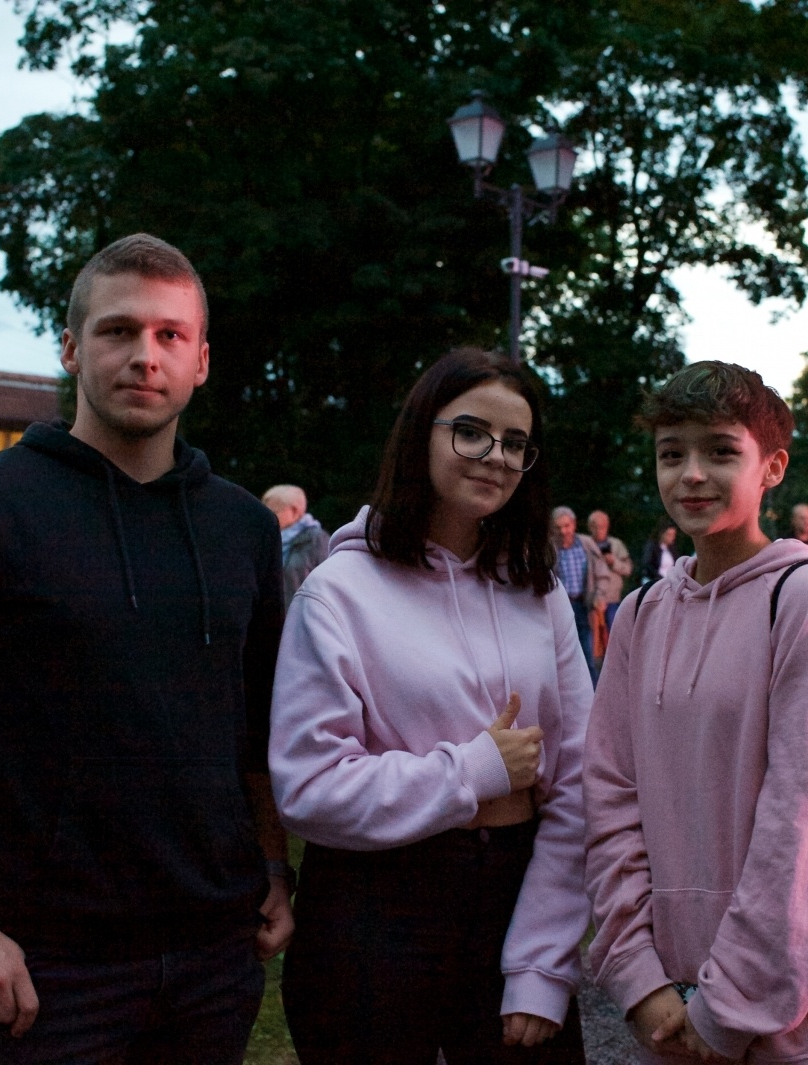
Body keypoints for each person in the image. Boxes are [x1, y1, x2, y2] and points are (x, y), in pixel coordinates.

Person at [0, 233, 292, 1064]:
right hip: (42, 970)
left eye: (170, 335)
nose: (144, 356)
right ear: (73, 348)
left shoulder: (244, 529)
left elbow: (256, 720)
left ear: (202, 361)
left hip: (212, 959)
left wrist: (271, 861)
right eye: (118, 331)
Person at [270, 347, 592, 1064]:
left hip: (514, 891)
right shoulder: (340, 591)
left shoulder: (538, 593)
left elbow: (580, 784)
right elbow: (309, 785)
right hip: (373, 907)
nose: (496, 456)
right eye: (472, 431)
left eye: (516, 443)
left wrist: (541, 964)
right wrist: (470, 770)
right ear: (423, 433)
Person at [586, 360, 808, 1063]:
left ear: (773, 466)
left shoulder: (807, 597)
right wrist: (638, 976)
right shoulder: (637, 615)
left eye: (720, 450)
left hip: (799, 1019)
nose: (691, 473)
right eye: (672, 454)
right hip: (671, 1006)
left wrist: (730, 1006)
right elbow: (609, 801)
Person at [261, 483, 330, 606]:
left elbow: (327, 584)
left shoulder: (316, 540)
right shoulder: (268, 539)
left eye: (273, 512)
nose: (266, 517)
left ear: (294, 511)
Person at [551, 506, 602, 670]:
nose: (563, 531)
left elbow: (601, 572)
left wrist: (598, 596)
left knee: (587, 653)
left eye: (566, 526)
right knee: (562, 653)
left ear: (573, 525)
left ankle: (593, 692)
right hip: (560, 606)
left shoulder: (586, 544)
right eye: (558, 527)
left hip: (583, 604)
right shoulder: (549, 547)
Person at [585, 510, 634, 632]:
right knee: (593, 640)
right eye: (594, 527)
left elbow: (628, 569)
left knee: (615, 633)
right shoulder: (585, 545)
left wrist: (614, 562)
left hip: (612, 599)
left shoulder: (616, 544)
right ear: (589, 527)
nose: (598, 530)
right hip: (590, 601)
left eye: (602, 527)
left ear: (607, 526)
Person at [638, 518, 679, 586]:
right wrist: (659, 578)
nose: (673, 538)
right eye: (669, 535)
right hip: (653, 580)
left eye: (674, 535)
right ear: (662, 534)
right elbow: (647, 565)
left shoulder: (673, 550)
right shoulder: (652, 547)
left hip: (669, 581)